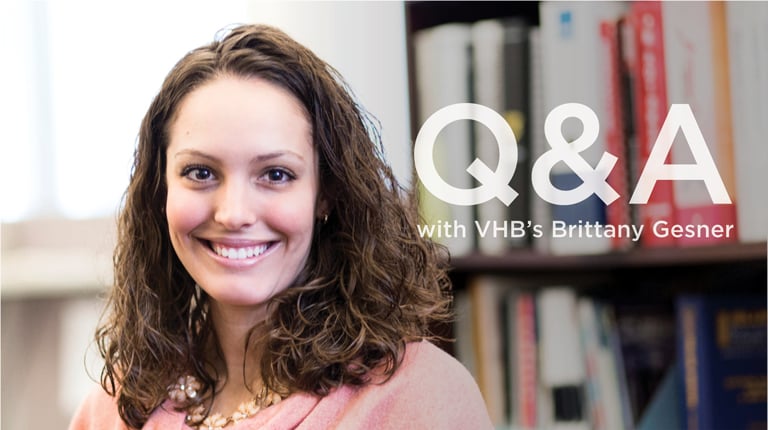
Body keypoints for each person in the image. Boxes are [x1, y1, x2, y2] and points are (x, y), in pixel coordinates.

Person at [69, 24, 493, 429]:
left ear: (325, 192)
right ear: (161, 191)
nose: (234, 213)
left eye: (275, 175)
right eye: (200, 173)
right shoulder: (114, 407)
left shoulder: (418, 398)